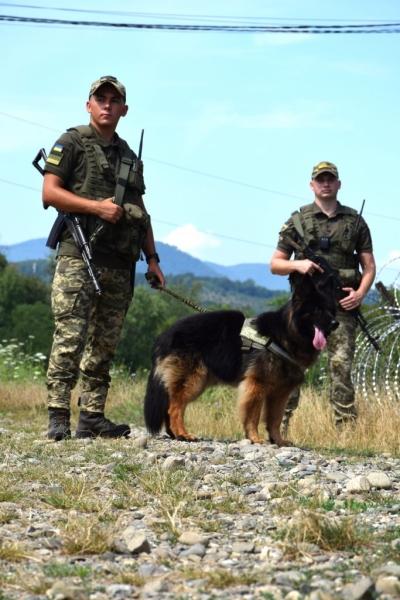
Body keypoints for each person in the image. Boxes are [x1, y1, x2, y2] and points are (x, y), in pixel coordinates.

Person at [42, 75, 165, 441]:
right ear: (89, 104)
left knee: (104, 344)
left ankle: (92, 416)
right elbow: (50, 192)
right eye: (101, 98)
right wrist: (96, 207)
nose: (107, 105)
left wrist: (153, 259)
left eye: (114, 100)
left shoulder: (129, 155)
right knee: (70, 337)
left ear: (124, 109)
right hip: (79, 257)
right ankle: (58, 417)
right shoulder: (72, 142)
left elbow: (141, 209)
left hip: (119, 261)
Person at [269, 161, 376, 429]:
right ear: (312, 185)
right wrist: (298, 264)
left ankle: (346, 433)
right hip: (305, 311)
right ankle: (278, 428)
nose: (325, 183)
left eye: (330, 179)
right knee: (291, 365)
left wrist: (360, 293)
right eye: (320, 179)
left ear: (338, 184)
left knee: (341, 368)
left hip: (341, 306)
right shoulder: (297, 221)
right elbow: (275, 265)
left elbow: (369, 266)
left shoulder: (355, 222)